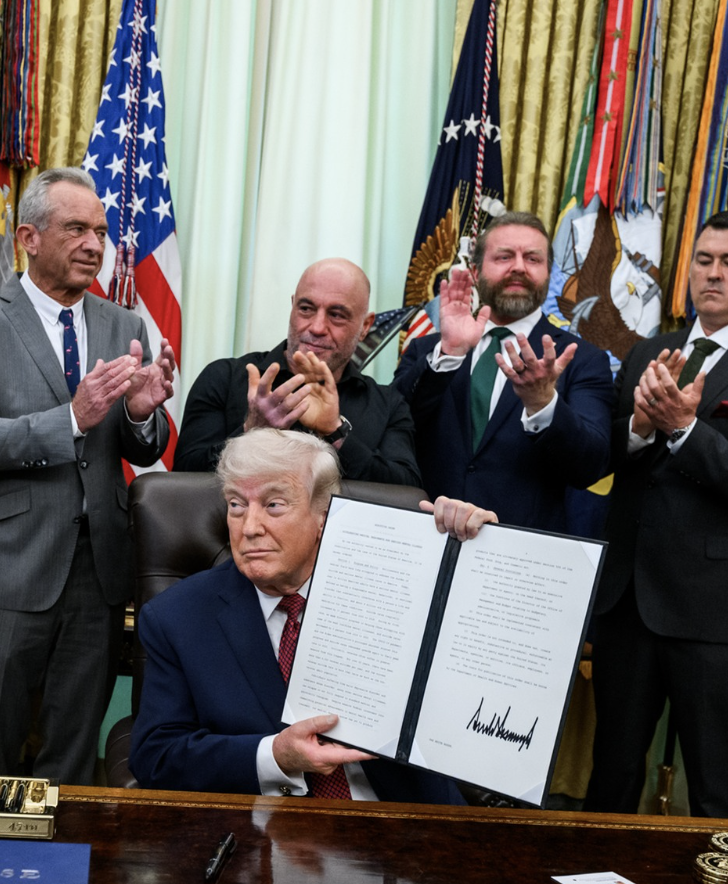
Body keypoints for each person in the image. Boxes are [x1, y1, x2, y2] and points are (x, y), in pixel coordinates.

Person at [0, 167, 175, 785]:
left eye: (100, 230)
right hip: (11, 566)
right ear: (28, 237)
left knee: (73, 753)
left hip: (99, 573)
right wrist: (69, 418)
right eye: (75, 229)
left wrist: (143, 417)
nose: (94, 244)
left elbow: (140, 449)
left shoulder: (126, 326)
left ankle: (59, 875)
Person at [582, 208, 728, 819]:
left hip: (717, 609)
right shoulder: (649, 353)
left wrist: (687, 429)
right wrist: (638, 428)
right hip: (628, 600)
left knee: (716, 783)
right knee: (610, 772)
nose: (711, 275)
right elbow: (609, 458)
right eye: (703, 261)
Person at [130, 428, 490, 803]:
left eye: (274, 505)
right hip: (269, 833)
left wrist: (481, 555)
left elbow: (479, 672)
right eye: (236, 505)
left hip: (406, 820)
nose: (249, 528)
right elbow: (155, 756)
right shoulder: (178, 617)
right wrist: (275, 756)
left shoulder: (395, 585)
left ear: (323, 515)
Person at [393, 211, 612, 532]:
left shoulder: (580, 360)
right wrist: (449, 354)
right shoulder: (428, 350)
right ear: (476, 270)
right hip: (425, 536)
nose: (519, 267)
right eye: (504, 256)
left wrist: (543, 406)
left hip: (517, 558)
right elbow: (394, 431)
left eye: (533, 259)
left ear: (549, 273)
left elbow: (590, 468)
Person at [173, 258, 420, 486]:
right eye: (306, 309)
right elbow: (184, 479)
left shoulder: (389, 405)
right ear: (292, 307)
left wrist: (336, 433)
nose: (317, 327)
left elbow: (405, 491)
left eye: (336, 315)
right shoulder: (224, 377)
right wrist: (252, 431)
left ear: (365, 326)